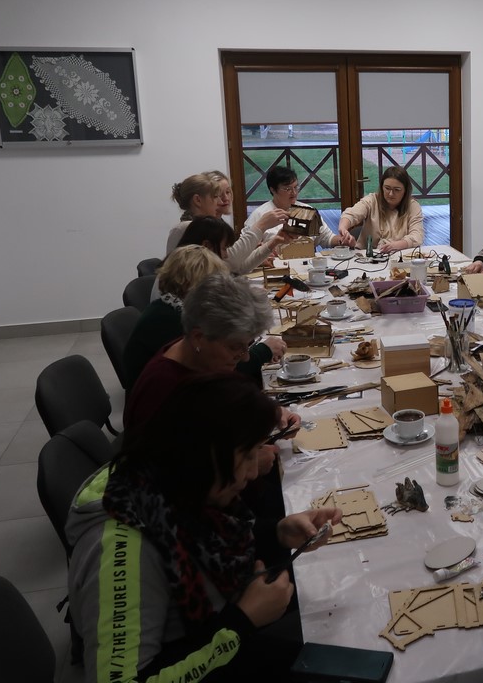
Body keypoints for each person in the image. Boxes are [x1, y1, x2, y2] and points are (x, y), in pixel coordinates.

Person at [67, 374, 343, 683]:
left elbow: (206, 543)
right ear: (203, 456)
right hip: (202, 654)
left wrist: (275, 533)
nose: (254, 472)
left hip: (212, 637)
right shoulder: (121, 548)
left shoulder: (171, 481)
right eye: (247, 456)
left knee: (337, 611)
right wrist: (242, 622)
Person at [124, 273, 288, 434]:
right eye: (235, 347)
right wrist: (250, 450)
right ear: (198, 337)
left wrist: (269, 411)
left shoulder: (197, 356)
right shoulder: (167, 390)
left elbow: (224, 397)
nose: (245, 356)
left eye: (248, 345)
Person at [123, 245, 231, 390]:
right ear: (191, 284)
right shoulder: (171, 320)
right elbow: (217, 366)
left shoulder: (169, 307)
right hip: (161, 398)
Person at [167, 172, 291, 273]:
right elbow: (231, 262)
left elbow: (237, 266)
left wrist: (274, 241)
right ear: (198, 200)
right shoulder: (185, 229)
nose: (220, 201)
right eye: (215, 196)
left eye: (227, 192)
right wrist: (261, 225)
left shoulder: (208, 226)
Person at [245, 164, 346, 249]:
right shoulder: (260, 214)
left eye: (296, 187)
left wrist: (342, 240)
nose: (294, 192)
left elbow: (327, 238)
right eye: (287, 189)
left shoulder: (307, 211)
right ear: (273, 190)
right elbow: (246, 247)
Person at [337, 166, 425, 254]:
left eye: (397, 190)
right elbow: (351, 214)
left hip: (398, 255)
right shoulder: (372, 200)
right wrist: (343, 228)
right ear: (382, 187)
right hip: (366, 256)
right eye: (387, 188)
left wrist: (397, 245)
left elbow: (417, 236)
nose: (391, 194)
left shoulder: (413, 206)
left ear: (405, 191)